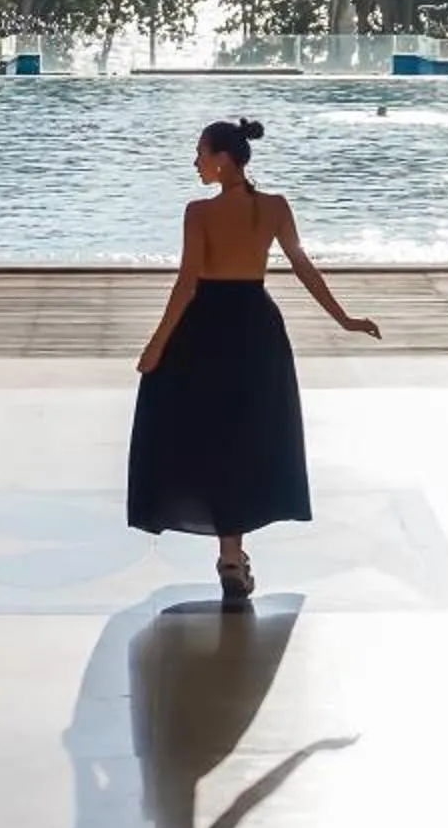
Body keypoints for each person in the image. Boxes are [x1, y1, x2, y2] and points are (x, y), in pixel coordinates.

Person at [130, 117, 379, 602]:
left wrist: (157, 343)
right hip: (256, 328)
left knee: (208, 435)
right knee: (246, 437)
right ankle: (231, 555)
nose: (196, 162)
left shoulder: (198, 213)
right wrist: (344, 318)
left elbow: (187, 283)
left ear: (223, 159)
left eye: (201, 153)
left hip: (205, 328)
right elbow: (302, 265)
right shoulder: (275, 207)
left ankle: (230, 554)